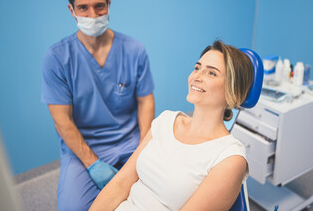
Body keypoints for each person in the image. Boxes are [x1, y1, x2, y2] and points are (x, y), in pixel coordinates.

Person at [89, 40, 254, 211]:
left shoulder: (229, 158)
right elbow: (120, 184)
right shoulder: (166, 121)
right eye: (197, 68)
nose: (196, 77)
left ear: (232, 91)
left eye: (211, 73)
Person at [41, 0, 155, 211]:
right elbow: (62, 120)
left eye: (99, 6)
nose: (92, 15)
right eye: (83, 7)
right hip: (84, 148)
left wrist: (144, 148)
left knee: (159, 198)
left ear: (108, 5)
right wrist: (93, 164)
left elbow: (145, 102)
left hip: (131, 141)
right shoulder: (57, 57)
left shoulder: (133, 49)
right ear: (71, 10)